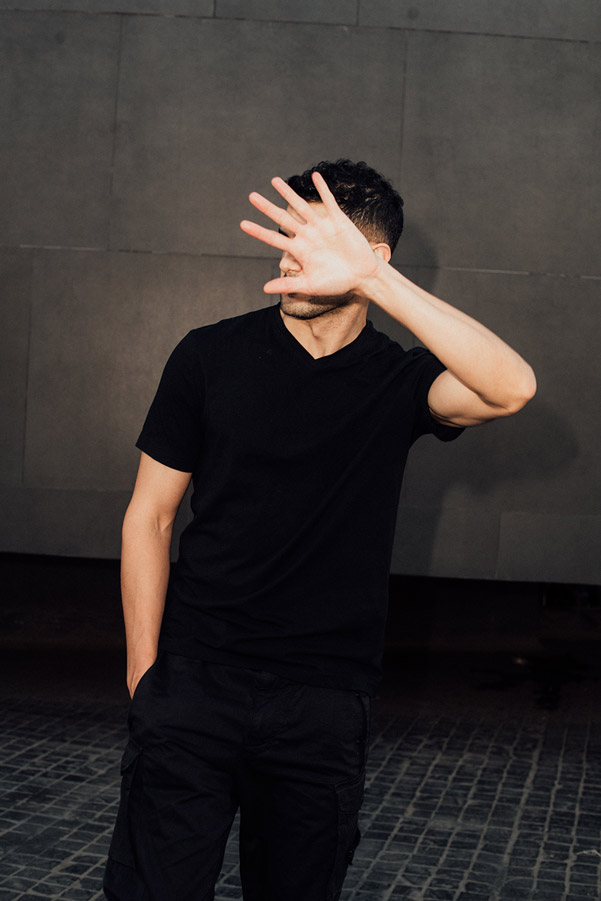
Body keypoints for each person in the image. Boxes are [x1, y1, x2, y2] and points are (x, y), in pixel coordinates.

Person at [103, 159, 536, 901]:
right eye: (283, 243)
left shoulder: (399, 380)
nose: (285, 262)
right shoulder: (208, 355)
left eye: (309, 246)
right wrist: (145, 677)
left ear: (374, 258)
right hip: (193, 681)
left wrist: (374, 282)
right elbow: (150, 515)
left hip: (324, 701)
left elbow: (512, 388)